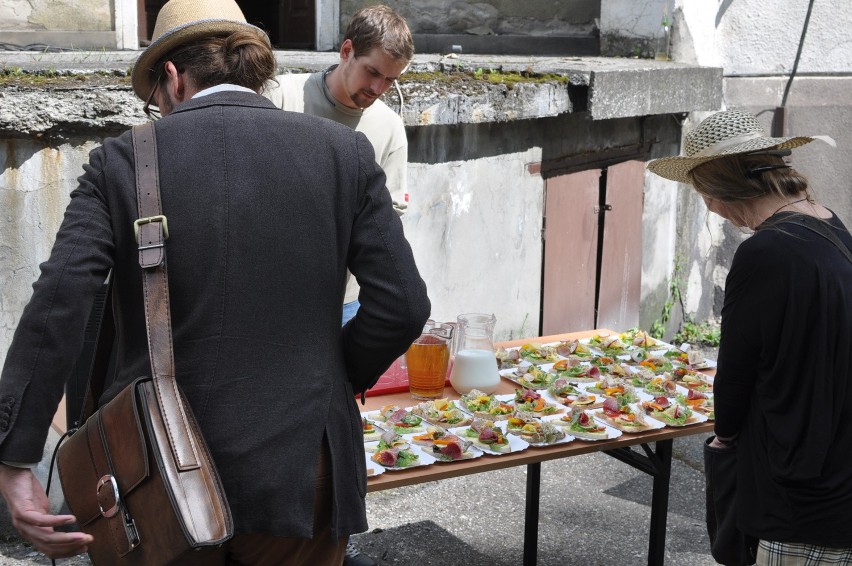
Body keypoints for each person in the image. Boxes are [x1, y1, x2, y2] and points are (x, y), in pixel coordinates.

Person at [0, 0, 430, 563]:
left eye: (153, 97)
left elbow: (59, 306)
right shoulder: (345, 152)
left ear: (173, 78)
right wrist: (331, 374)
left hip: (157, 477)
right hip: (306, 466)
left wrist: (15, 457)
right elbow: (402, 304)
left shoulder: (120, 160)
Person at [648, 110, 852, 564]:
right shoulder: (829, 222)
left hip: (800, 476)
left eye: (705, 196)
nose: (710, 209)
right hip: (836, 448)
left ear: (723, 190)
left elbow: (737, 368)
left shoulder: (765, 251)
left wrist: (723, 438)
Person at [264, 4, 414, 326]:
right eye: (372, 72)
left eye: (390, 80)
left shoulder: (390, 128)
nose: (377, 89)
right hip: (269, 291)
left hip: (344, 303)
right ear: (347, 50)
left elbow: (388, 218)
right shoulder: (280, 97)